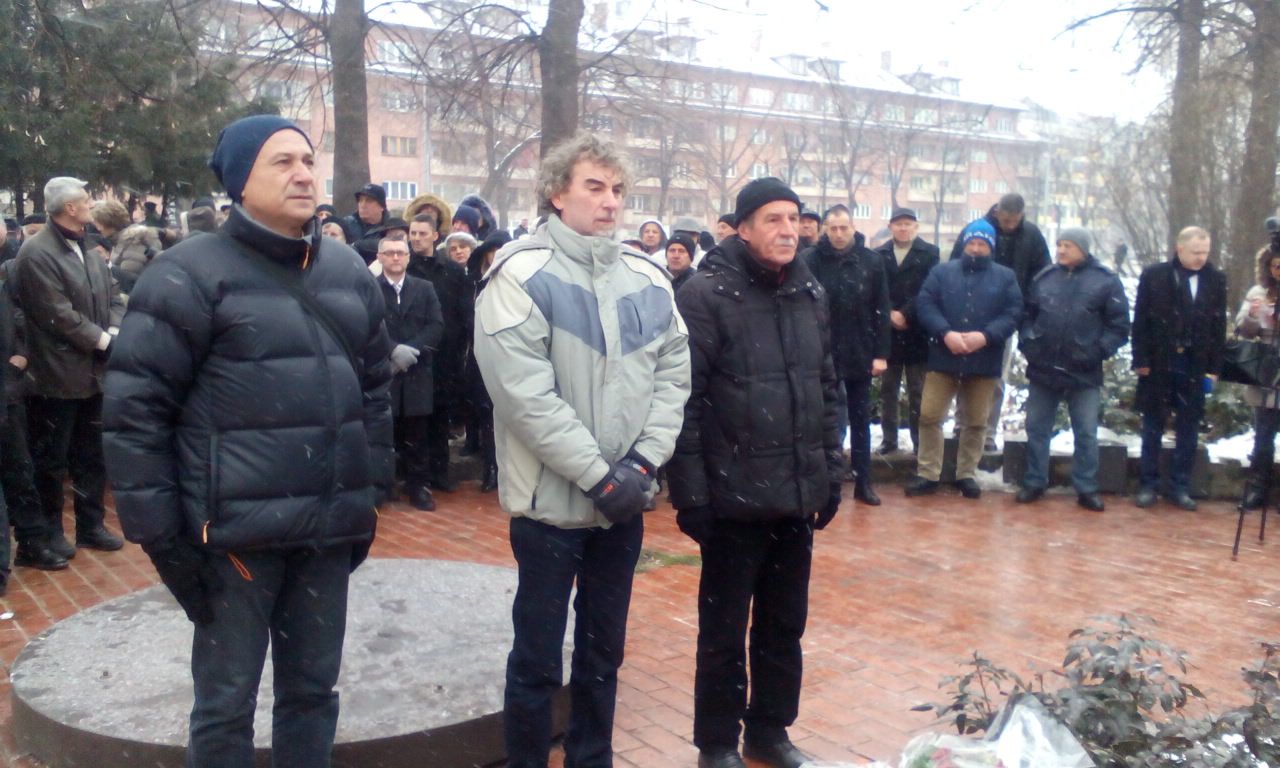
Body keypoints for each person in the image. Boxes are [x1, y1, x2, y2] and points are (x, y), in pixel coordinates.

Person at [102, 115, 393, 768]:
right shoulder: (185, 274)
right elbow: (135, 417)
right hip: (233, 541)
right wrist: (164, 540)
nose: (303, 174)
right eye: (281, 162)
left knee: (313, 695)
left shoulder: (347, 269)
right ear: (239, 181)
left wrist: (367, 493)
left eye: (308, 160)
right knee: (225, 706)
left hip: (326, 534)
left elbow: (375, 390)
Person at [473, 131, 690, 768]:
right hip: (551, 509)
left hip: (623, 503)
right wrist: (601, 476)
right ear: (556, 194)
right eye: (594, 186)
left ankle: (591, 759)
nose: (610, 201)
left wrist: (643, 464)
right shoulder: (519, 275)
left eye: (617, 189)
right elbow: (525, 398)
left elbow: (673, 376)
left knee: (602, 656)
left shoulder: (648, 278)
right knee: (537, 662)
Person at [668, 177, 841, 768]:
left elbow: (825, 388)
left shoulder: (809, 291)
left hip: (795, 496)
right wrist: (692, 496)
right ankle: (717, 743)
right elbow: (684, 400)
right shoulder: (705, 294)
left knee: (783, 626)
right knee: (722, 633)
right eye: (773, 219)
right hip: (732, 499)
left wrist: (829, 472)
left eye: (793, 218)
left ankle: (769, 731)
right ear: (742, 228)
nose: (788, 230)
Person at [15, 176, 126, 562]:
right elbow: (57, 315)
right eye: (86, 198)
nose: (92, 203)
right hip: (56, 375)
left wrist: (113, 330)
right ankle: (50, 530)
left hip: (94, 373)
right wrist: (105, 342)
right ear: (69, 208)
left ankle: (91, 526)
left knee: (91, 454)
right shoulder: (36, 253)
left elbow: (114, 294)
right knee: (52, 460)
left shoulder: (88, 247)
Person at [1015, 228, 1130, 512]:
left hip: (1084, 372)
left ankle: (1086, 487)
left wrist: (1096, 351)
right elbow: (1026, 316)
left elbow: (1119, 327)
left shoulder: (1105, 281)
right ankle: (1034, 481)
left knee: (1086, 432)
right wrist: (1029, 343)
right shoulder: (1044, 278)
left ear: (1083, 249)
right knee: (1037, 429)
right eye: (1059, 245)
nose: (1061, 250)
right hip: (1043, 369)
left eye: (1068, 245)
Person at [908, 219, 1022, 499]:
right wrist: (945, 332)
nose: (976, 248)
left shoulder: (1005, 277)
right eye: (972, 242)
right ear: (964, 243)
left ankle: (966, 473)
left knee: (976, 421)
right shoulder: (942, 272)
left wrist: (985, 336)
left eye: (982, 244)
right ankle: (928, 473)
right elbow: (925, 304)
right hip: (943, 356)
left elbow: (1013, 313)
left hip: (984, 359)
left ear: (990, 247)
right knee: (929, 416)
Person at [1132, 226, 1227, 510]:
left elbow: (1218, 326)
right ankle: (1148, 484)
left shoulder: (1215, 279)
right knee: (1153, 424)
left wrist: (1214, 367)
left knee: (1189, 427)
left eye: (1205, 252)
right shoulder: (1155, 275)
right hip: (1159, 360)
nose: (1201, 258)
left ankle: (1180, 486)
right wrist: (1141, 360)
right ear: (1179, 249)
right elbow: (1140, 321)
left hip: (1194, 363)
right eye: (1196, 252)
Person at [803, 204, 890, 505]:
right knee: (820, 419)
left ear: (853, 228)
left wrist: (881, 353)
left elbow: (882, 309)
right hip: (821, 350)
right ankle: (823, 481)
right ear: (825, 229)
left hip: (859, 349)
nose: (839, 234)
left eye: (844, 228)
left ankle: (863, 482)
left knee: (860, 419)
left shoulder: (871, 261)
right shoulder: (810, 260)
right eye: (833, 228)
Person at [949, 193, 1050, 450]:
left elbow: (1043, 276)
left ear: (1022, 215)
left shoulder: (1032, 236)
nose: (1010, 226)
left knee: (995, 377)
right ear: (997, 213)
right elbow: (954, 267)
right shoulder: (976, 231)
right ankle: (961, 424)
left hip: (1007, 317)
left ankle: (988, 431)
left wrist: (1026, 306)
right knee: (965, 373)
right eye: (1006, 221)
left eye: (1015, 221)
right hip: (971, 313)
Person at [376, 232, 444, 511]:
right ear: (380, 257)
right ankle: (384, 485)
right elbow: (367, 324)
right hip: (384, 372)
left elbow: (436, 325)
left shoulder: (424, 288)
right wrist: (392, 350)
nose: (395, 257)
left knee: (418, 435)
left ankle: (419, 488)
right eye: (389, 253)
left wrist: (411, 350)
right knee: (384, 432)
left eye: (400, 253)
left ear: (407, 257)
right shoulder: (370, 288)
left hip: (417, 370)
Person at [407, 213, 473, 492]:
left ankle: (440, 472)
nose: (416, 238)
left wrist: (463, 346)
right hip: (413, 352)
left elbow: (464, 312)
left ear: (435, 236)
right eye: (413, 233)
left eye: (422, 233)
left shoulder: (453, 271)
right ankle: (416, 476)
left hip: (446, 354)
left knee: (440, 414)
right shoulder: (405, 266)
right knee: (414, 418)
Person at [873, 207, 939, 454]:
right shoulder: (879, 255)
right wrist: (889, 313)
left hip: (916, 331)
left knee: (917, 392)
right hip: (887, 332)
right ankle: (889, 440)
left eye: (908, 224)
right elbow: (876, 290)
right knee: (888, 390)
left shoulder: (930, 253)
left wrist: (906, 314)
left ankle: (919, 441)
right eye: (898, 224)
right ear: (890, 227)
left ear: (916, 227)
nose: (903, 228)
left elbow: (929, 289)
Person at [1235, 246, 1280, 511]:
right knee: (1263, 435)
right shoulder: (1259, 292)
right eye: (1275, 266)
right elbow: (1244, 330)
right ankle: (1257, 489)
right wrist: (1253, 315)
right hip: (1267, 372)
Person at [340, 182, 390, 264]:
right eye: (360, 200)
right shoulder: (346, 223)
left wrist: (357, 245)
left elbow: (390, 246)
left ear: (382, 206)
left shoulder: (391, 226)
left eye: (369, 201)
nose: (363, 205)